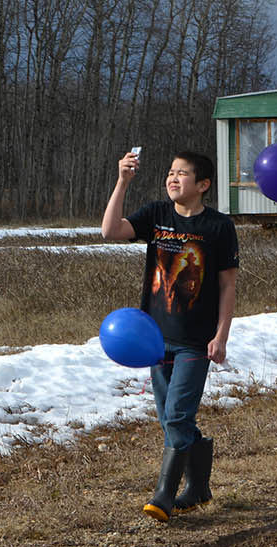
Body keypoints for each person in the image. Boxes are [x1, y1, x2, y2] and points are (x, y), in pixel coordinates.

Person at [101, 149, 239, 522]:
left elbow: (228, 285)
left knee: (177, 416)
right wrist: (123, 180)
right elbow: (110, 231)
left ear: (203, 184)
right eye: (170, 172)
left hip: (196, 340)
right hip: (154, 339)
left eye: (182, 174)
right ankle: (199, 487)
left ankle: (164, 494)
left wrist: (221, 335)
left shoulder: (218, 227)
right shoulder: (156, 216)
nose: (173, 178)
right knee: (170, 419)